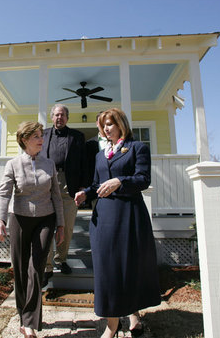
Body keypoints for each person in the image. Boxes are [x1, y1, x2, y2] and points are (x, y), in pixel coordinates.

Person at [74, 108, 161, 338]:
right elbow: (97, 184)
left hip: (129, 216)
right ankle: (112, 325)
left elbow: (143, 179)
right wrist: (86, 193)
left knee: (129, 267)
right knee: (108, 270)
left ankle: (134, 315)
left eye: (110, 123)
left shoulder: (138, 148)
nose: (106, 128)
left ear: (121, 124)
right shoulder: (100, 156)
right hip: (103, 218)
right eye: (103, 125)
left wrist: (119, 181)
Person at [0, 121, 65, 338]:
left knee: (36, 267)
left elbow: (56, 196)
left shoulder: (49, 164)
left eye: (41, 135)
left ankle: (30, 322)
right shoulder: (13, 164)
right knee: (21, 269)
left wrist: (60, 224)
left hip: (46, 219)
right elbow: (4, 193)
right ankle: (24, 318)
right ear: (24, 139)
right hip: (20, 220)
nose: (41, 139)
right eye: (35, 136)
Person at [41, 103, 86, 285]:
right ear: (52, 117)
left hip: (69, 185)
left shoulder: (77, 137)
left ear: (67, 118)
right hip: (46, 186)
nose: (59, 118)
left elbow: (83, 164)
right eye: (56, 115)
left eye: (63, 115)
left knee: (66, 227)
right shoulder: (42, 135)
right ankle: (47, 267)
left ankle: (62, 259)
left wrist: (83, 187)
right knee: (46, 228)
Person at [85, 111, 109, 187]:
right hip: (95, 186)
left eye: (105, 122)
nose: (103, 125)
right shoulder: (88, 144)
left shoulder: (118, 142)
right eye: (100, 122)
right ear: (97, 123)